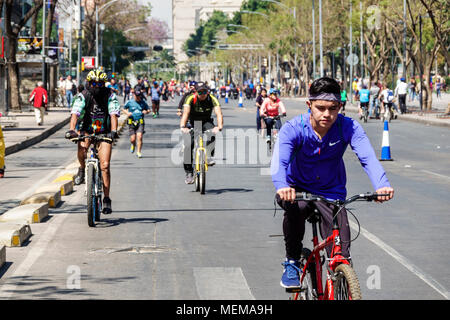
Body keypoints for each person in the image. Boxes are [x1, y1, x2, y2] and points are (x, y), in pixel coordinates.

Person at [271, 77, 394, 288]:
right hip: (297, 190)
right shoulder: (293, 129)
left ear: (340, 107)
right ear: (309, 105)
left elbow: (367, 157)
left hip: (331, 191)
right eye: (321, 108)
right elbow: (279, 162)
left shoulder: (348, 127)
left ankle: (341, 278)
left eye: (333, 108)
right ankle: (292, 261)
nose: (327, 114)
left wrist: (381, 185)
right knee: (296, 208)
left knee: (341, 253)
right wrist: (283, 186)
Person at [65, 69, 120, 214]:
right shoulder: (83, 96)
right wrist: (72, 130)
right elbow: (75, 113)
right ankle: (82, 169)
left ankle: (106, 199)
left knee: (105, 165)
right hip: (87, 130)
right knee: (82, 148)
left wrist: (114, 132)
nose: (96, 86)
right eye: (93, 83)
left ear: (104, 83)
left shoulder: (110, 95)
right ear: (89, 83)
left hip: (104, 131)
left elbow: (114, 115)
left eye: (100, 83)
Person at [180, 83, 223, 184]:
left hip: (206, 121)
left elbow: (219, 113)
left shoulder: (212, 98)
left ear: (207, 92)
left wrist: (219, 126)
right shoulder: (190, 99)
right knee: (188, 146)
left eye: (204, 92)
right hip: (193, 123)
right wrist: (183, 126)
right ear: (196, 92)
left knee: (211, 133)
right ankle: (189, 173)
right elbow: (185, 114)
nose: (202, 94)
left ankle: (208, 156)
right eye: (200, 92)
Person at [122, 88, 150, 158]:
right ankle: (133, 144)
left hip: (140, 121)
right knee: (133, 139)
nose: (137, 97)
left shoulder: (143, 102)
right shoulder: (130, 102)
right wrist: (127, 113)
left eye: (139, 96)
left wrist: (146, 112)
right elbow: (123, 108)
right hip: (132, 122)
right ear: (134, 95)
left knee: (139, 137)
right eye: (136, 95)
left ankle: (139, 152)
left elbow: (149, 110)